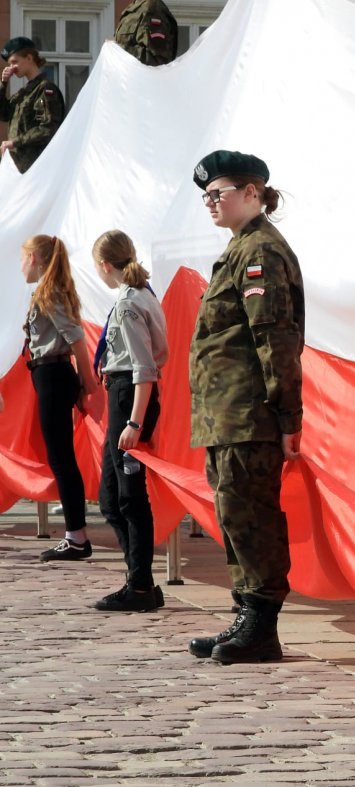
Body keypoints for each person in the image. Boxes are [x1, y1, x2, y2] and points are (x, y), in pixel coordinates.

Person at [185, 150, 304, 665]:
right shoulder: (240, 249)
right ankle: (245, 615)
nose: (210, 202)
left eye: (219, 193)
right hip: (226, 413)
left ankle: (261, 624)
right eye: (206, 196)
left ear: (252, 193)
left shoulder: (260, 252)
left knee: (250, 513)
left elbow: (274, 337)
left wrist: (287, 415)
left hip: (248, 413)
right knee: (233, 512)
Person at [91, 230, 170, 612]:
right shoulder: (143, 294)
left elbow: (145, 366)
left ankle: (139, 584)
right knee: (111, 497)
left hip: (129, 397)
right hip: (125, 394)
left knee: (128, 496)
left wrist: (134, 422)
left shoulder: (127, 303)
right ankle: (138, 578)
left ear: (105, 265)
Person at [20, 235, 99, 561]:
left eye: (24, 258)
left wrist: (87, 386)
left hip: (54, 374)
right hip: (48, 374)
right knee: (60, 456)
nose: (21, 265)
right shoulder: (46, 291)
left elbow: (77, 340)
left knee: (61, 458)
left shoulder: (49, 293)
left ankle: (76, 536)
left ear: (36, 258)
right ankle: (75, 534)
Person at [0, 37, 65, 173]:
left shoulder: (46, 89)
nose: (11, 67)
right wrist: (3, 84)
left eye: (14, 62)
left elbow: (48, 129)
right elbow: (4, 114)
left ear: (29, 58)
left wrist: (14, 142)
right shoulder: (24, 92)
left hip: (36, 168)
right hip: (18, 168)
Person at [113, 0, 179, 67]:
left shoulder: (153, 8)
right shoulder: (135, 7)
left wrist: (118, 50)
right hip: (126, 75)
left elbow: (157, 61)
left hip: (140, 76)